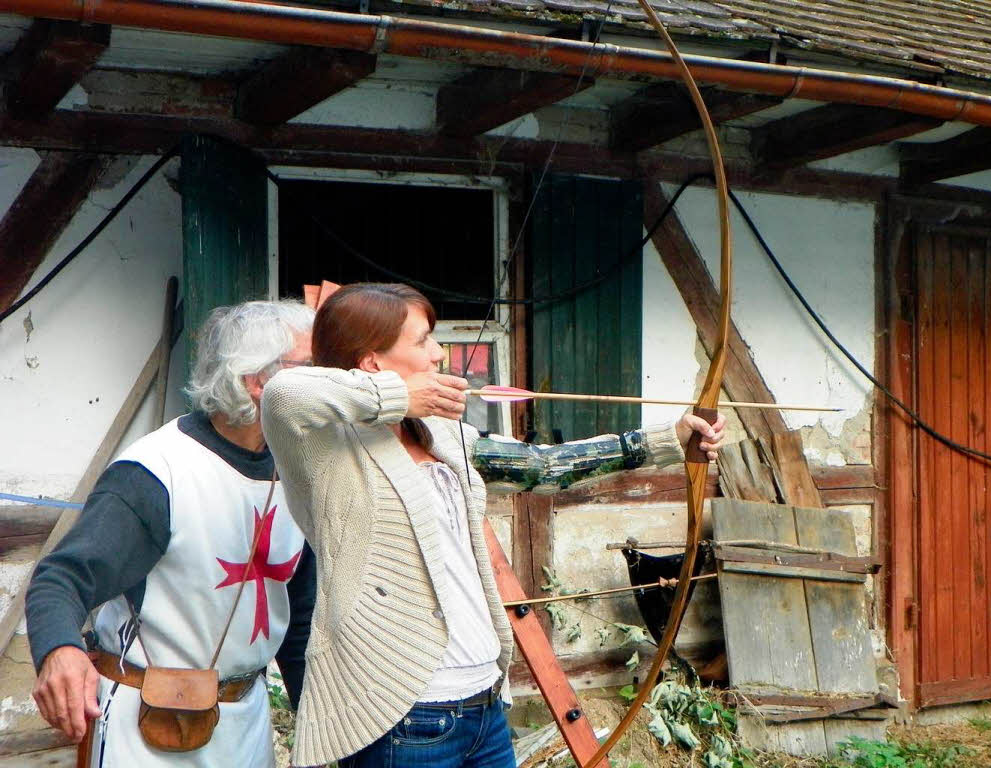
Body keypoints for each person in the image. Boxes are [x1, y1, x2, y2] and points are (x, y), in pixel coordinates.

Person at [261, 283, 727, 768]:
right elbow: (283, 392)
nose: (439, 354)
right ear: (373, 361)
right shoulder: (326, 447)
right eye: (422, 341)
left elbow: (541, 467)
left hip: (484, 703)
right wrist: (400, 394)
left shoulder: (441, 433)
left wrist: (664, 441)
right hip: (404, 715)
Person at [26, 300, 317, 768]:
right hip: (146, 729)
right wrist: (59, 650)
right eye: (311, 368)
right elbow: (61, 578)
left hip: (247, 724)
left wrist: (321, 723)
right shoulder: (157, 473)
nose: (327, 383)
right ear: (258, 381)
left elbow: (299, 618)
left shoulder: (299, 471)